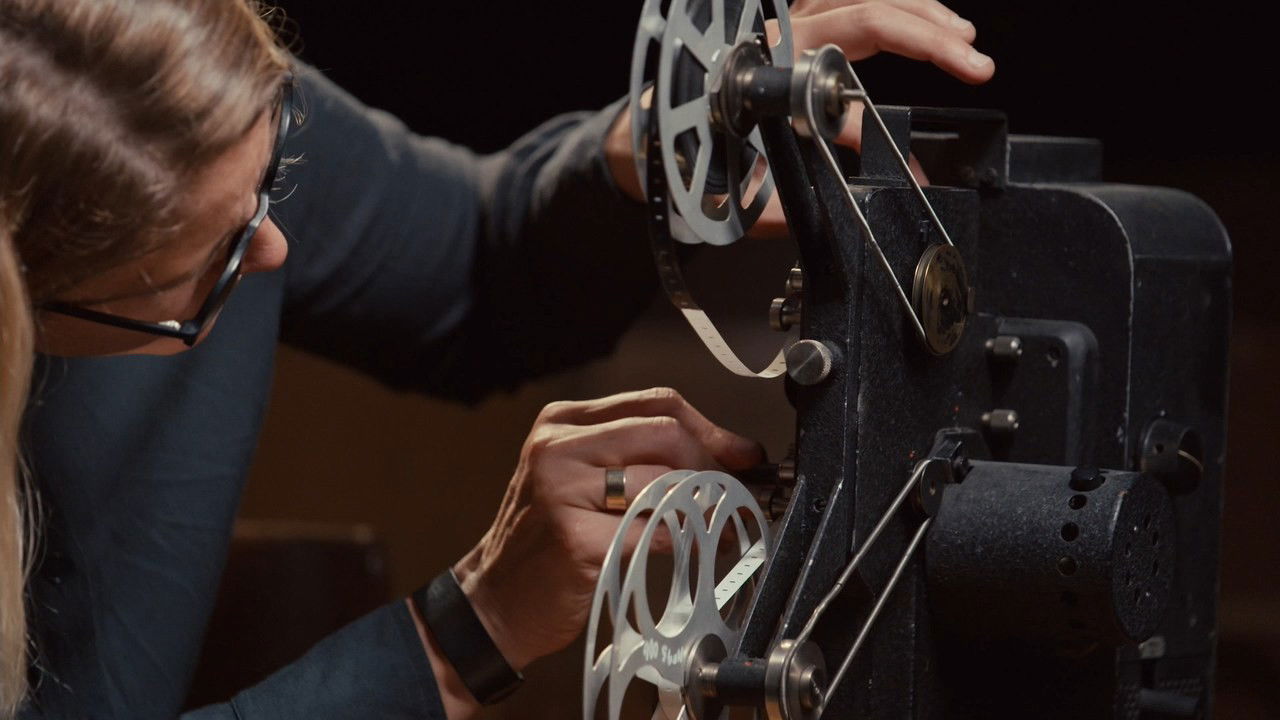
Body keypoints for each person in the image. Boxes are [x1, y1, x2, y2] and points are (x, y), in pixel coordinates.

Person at [0, 0, 994, 717]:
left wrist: (667, 141)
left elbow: (473, 262)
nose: (273, 251)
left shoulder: (164, 96)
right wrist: (459, 639)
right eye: (209, 265)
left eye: (273, 181)